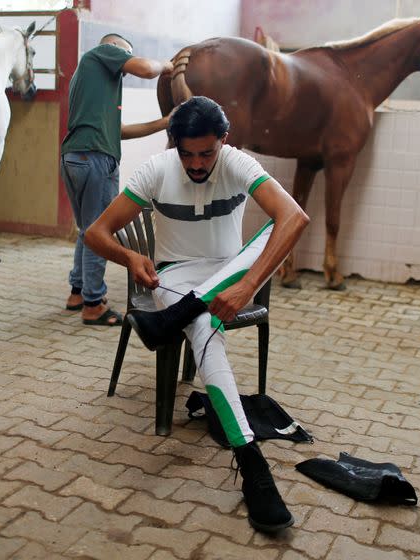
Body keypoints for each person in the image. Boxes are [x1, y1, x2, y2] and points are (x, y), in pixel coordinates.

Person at [85, 96, 310, 532]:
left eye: (207, 152)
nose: (197, 164)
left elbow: (295, 217)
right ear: (175, 145)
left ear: (223, 141)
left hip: (232, 273)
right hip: (175, 278)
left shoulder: (237, 163)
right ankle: (252, 465)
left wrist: (246, 286)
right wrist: (130, 257)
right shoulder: (156, 169)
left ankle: (177, 317)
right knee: (205, 328)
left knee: (279, 227)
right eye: (187, 153)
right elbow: (95, 233)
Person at [61, 33, 173, 326]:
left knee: (89, 229)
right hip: (96, 159)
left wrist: (163, 124)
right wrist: (166, 65)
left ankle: (78, 292)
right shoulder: (103, 53)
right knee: (102, 232)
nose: (124, 66)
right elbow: (147, 69)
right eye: (125, 58)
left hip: (76, 157)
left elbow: (119, 131)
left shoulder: (90, 80)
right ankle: (94, 304)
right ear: (115, 49)